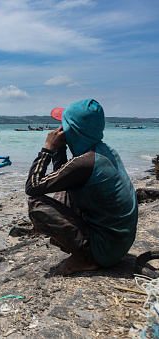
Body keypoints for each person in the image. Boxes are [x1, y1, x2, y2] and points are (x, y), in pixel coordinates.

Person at [25, 99, 138, 276]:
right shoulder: (102, 152)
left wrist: (47, 148)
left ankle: (84, 259)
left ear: (73, 131)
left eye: (64, 126)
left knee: (37, 204)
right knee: (62, 189)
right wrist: (60, 149)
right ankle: (82, 249)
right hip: (117, 245)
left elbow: (32, 187)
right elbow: (63, 177)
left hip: (104, 252)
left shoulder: (84, 163)